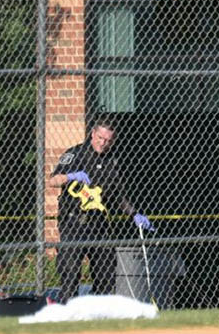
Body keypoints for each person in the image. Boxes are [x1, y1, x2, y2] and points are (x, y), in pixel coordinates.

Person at [49, 118, 153, 303]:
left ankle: (99, 319)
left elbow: (118, 196)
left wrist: (134, 214)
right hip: (74, 223)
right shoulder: (76, 154)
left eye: (108, 140)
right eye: (100, 138)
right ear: (93, 134)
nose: (103, 143)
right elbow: (53, 180)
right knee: (71, 274)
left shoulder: (112, 161)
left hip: (100, 225)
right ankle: (68, 317)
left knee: (105, 276)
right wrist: (72, 176)